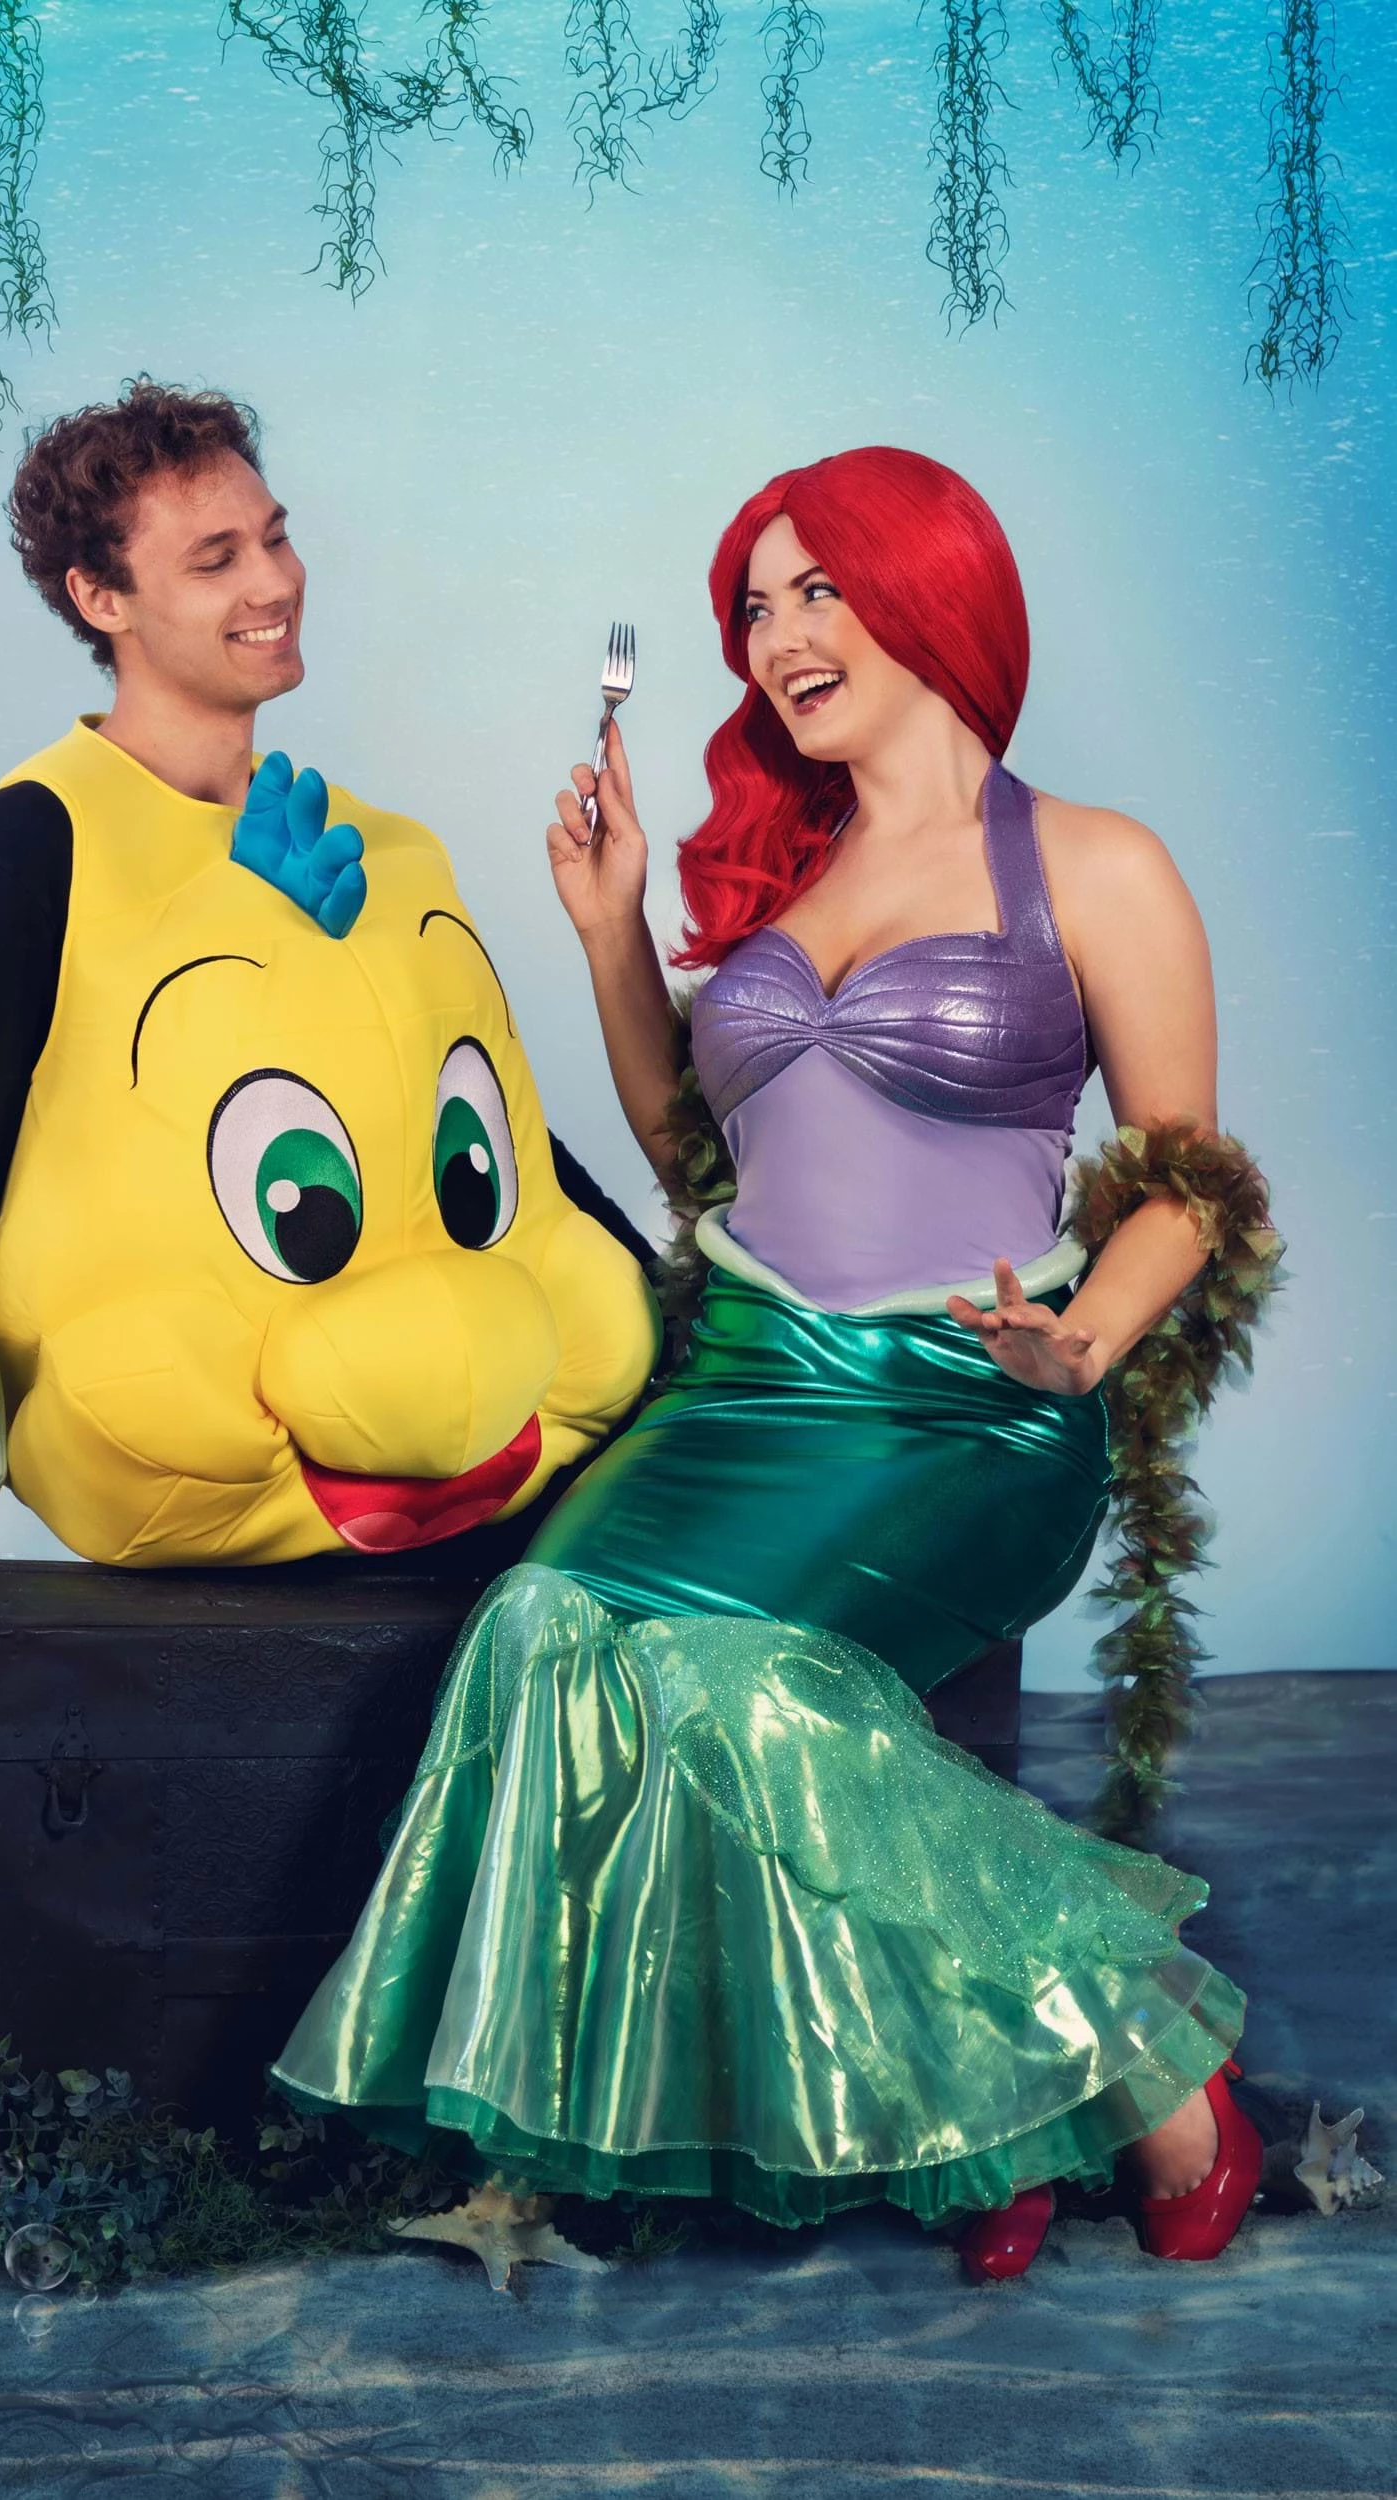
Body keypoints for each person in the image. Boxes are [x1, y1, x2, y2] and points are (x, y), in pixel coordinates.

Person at [270, 447, 1264, 2281]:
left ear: (933, 593)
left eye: (817, 590)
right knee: (541, 1634)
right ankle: (962, 2108)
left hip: (963, 1407)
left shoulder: (1092, 865)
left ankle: (1137, 2069)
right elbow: (697, 1157)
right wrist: (607, 927)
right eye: (752, 604)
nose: (775, 635)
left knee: (727, 1688)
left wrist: (1078, 1347)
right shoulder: (780, 880)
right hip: (738, 1384)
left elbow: (1186, 1181)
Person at [0, 379, 649, 1681]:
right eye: (215, 559)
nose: (272, 581)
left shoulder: (373, 840)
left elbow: (494, 1139)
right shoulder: (32, 844)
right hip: (232, 1483)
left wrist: (676, 1325)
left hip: (462, 1474)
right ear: (100, 597)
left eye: (274, 536)